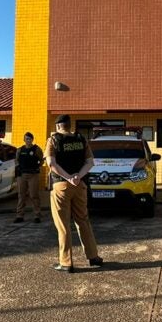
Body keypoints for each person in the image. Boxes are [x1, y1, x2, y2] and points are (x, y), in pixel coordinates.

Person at [45, 115, 103, 273]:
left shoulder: (53, 140)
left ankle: (66, 262)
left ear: (58, 126)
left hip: (61, 186)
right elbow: (90, 162)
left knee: (63, 225)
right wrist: (77, 176)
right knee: (83, 221)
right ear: (69, 126)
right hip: (80, 185)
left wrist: (68, 177)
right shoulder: (81, 139)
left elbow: (51, 164)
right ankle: (93, 257)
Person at [14, 131, 44, 223]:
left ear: (32, 140)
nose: (28, 140)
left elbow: (41, 160)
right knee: (21, 195)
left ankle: (37, 215)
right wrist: (18, 170)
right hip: (22, 175)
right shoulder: (20, 150)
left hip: (33, 175)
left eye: (30, 139)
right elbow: (16, 161)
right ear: (24, 140)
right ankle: (20, 215)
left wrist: (37, 167)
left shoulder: (37, 149)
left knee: (34, 195)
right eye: (26, 139)